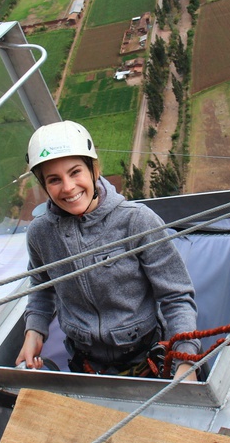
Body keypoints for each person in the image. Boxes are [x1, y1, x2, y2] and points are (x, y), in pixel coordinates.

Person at [15, 121, 200, 381]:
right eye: (54, 179)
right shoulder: (40, 233)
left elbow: (176, 297)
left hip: (145, 356)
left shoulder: (137, 221)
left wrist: (184, 360)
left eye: (75, 172)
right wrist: (34, 331)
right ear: (44, 185)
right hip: (84, 362)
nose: (68, 187)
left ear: (94, 169)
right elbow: (42, 288)